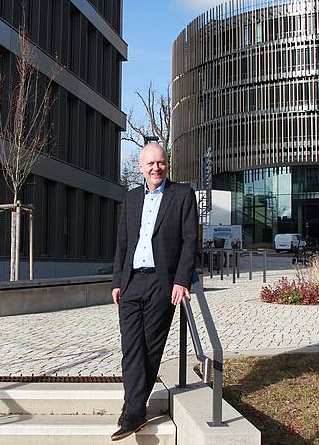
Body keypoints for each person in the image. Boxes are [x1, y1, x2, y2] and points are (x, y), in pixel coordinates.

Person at [110, 142, 198, 441]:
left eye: (160, 162)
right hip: (132, 282)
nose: (156, 168)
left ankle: (132, 412)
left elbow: (190, 241)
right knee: (131, 348)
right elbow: (123, 242)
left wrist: (182, 280)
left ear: (167, 163)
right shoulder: (131, 198)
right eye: (150, 164)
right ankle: (134, 408)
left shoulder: (183, 195)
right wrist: (117, 281)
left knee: (150, 349)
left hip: (164, 284)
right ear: (140, 167)